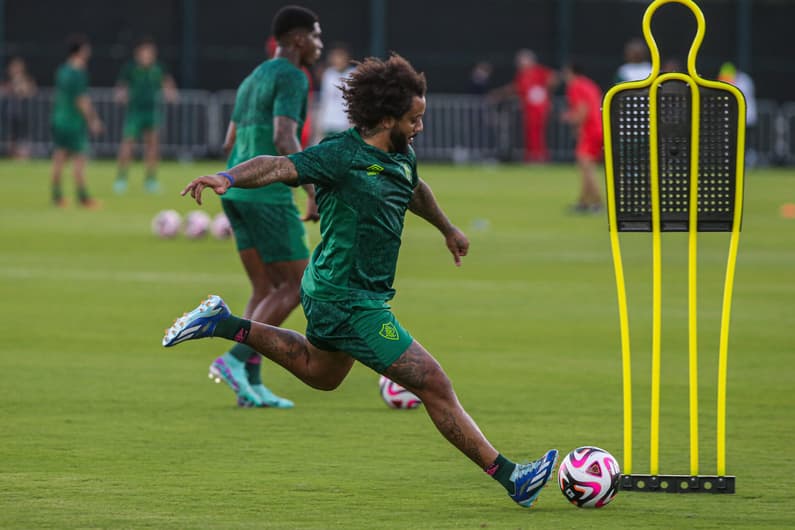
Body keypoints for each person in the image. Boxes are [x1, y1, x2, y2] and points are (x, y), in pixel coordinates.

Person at [163, 53, 558, 508]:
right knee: (434, 384)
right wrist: (226, 177)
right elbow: (277, 165)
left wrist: (447, 229)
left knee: (321, 374)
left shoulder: (400, 153)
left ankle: (223, 322)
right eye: (414, 119)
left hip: (340, 290)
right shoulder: (341, 155)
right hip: (347, 300)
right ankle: (514, 477)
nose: (420, 127)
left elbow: (413, 187)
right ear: (386, 118)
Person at [210, 5, 322, 408]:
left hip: (235, 193)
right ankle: (234, 359)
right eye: (316, 36)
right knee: (298, 284)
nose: (320, 45)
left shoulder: (252, 78)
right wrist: (312, 188)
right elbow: (284, 137)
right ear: (297, 40)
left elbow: (228, 142)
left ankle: (249, 382)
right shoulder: (293, 76)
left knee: (264, 287)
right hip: (266, 194)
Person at [113, 37, 177, 194]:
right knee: (128, 145)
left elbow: (168, 83)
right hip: (135, 113)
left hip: (152, 113)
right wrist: (121, 95)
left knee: (153, 147)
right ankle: (121, 179)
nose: (147, 56)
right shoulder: (130, 68)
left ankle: (151, 180)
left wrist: (170, 92)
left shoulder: (158, 68)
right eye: (145, 53)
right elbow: (121, 87)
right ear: (138, 54)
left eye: (150, 53)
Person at [50, 34, 103, 208]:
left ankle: (57, 196)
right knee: (79, 159)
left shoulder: (63, 69)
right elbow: (81, 99)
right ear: (80, 51)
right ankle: (83, 197)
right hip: (73, 121)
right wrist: (93, 120)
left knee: (59, 157)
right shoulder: (78, 71)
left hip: (59, 118)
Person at [491, 50, 556, 162]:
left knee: (537, 133)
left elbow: (553, 78)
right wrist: (499, 94)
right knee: (530, 133)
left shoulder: (539, 71)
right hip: (529, 109)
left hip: (539, 108)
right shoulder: (521, 75)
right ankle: (532, 156)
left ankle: (538, 157)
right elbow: (516, 88)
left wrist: (547, 93)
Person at [561, 62, 603, 213]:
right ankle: (584, 202)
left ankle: (597, 202)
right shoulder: (589, 84)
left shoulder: (575, 86)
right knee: (586, 166)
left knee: (586, 167)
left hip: (590, 130)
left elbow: (583, 110)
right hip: (599, 127)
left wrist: (570, 118)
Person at [718, 62, 757, 166]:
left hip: (747, 117)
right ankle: (735, 162)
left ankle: (749, 162)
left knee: (747, 142)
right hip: (736, 118)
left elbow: (740, 94)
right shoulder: (735, 80)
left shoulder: (744, 80)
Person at [316, 43, 354, 138]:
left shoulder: (353, 74)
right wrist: (320, 124)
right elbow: (325, 100)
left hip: (344, 125)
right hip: (328, 123)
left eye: (340, 56)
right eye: (335, 57)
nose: (337, 60)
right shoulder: (328, 74)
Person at [2, 57, 37, 159]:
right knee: (11, 138)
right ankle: (13, 155)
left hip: (24, 115)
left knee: (23, 139)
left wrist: (21, 87)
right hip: (10, 115)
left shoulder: (27, 79)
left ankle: (23, 157)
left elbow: (31, 91)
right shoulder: (7, 81)